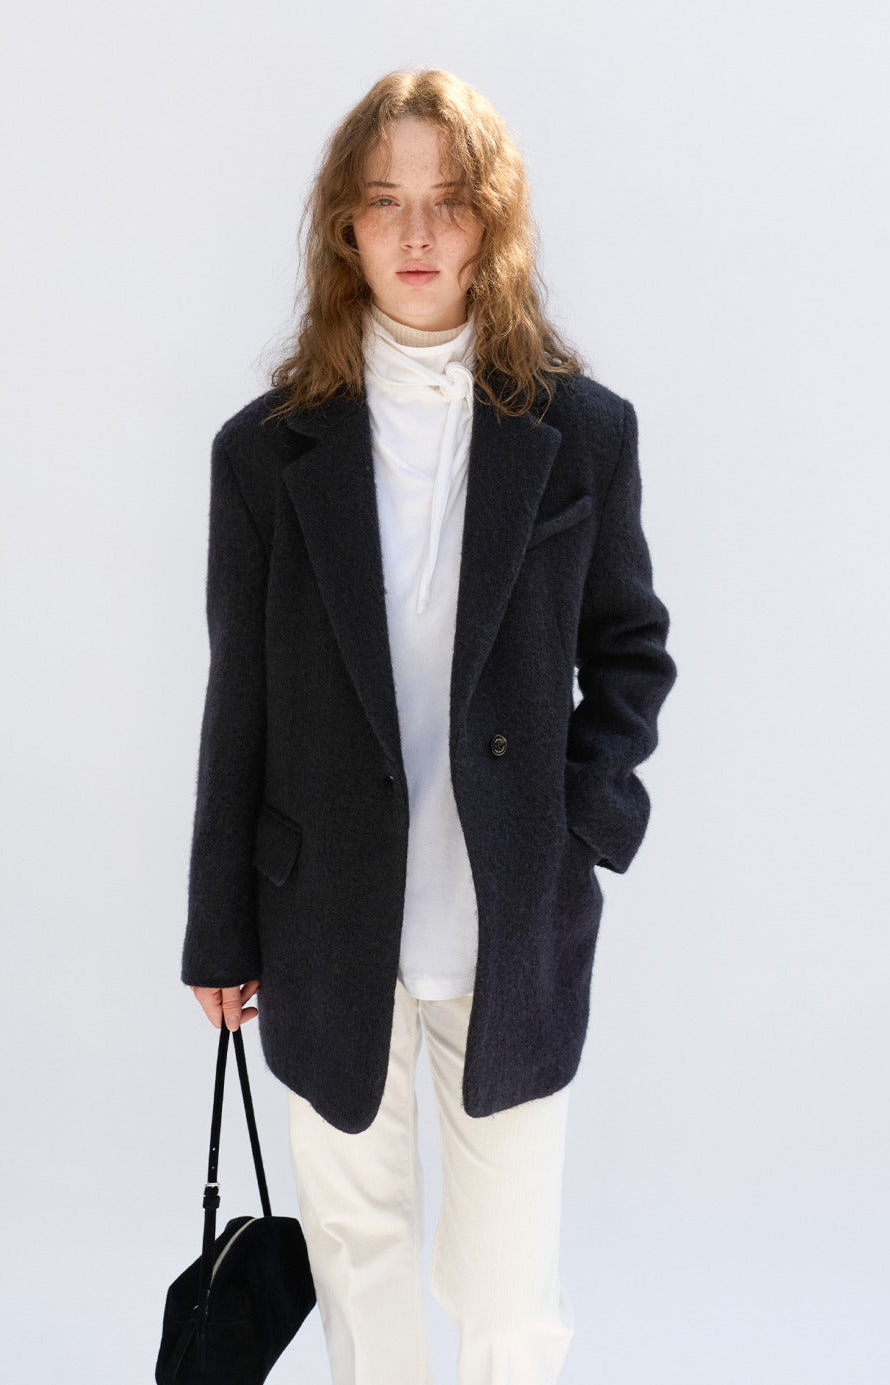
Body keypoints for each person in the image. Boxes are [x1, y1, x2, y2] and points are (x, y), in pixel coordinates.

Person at [181, 67, 677, 1385]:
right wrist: (219, 925)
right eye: (384, 201)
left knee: (508, 1301)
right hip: (323, 923)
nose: (416, 233)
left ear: (491, 223)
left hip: (511, 921)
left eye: (449, 201)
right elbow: (240, 694)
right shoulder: (264, 454)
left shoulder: (581, 434)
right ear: (343, 225)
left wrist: (584, 824)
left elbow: (630, 649)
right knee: (362, 1270)